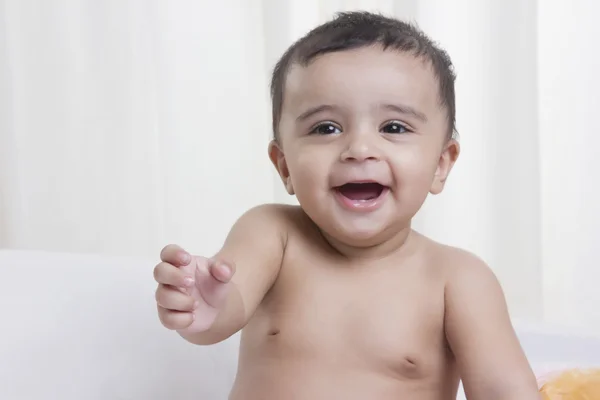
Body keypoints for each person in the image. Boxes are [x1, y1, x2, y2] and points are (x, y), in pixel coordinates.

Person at [153, 11, 540, 400]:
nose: (359, 149)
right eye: (326, 128)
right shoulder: (272, 235)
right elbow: (225, 310)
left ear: (440, 164)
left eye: (393, 127)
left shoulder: (458, 280)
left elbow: (503, 390)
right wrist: (204, 306)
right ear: (284, 165)